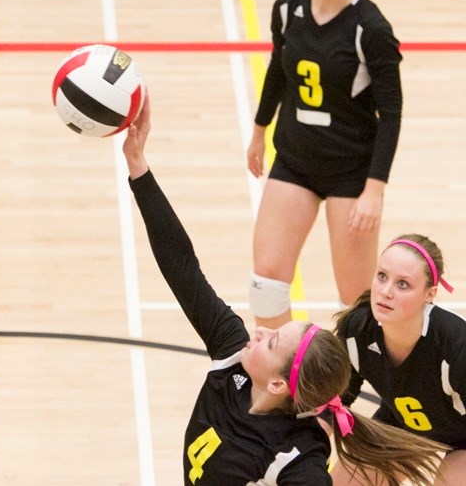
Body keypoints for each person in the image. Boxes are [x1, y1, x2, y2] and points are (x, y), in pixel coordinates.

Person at [123, 97, 445, 485]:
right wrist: (138, 166)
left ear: (277, 384)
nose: (259, 331)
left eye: (271, 341)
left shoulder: (296, 459)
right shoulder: (233, 356)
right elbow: (182, 268)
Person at [246, 0, 403, 328]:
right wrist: (259, 132)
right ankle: (285, 384)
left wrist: (374, 190)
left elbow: (392, 114)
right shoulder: (288, 9)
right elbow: (278, 73)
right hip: (295, 160)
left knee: (357, 305)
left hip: (351, 172)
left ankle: (357, 389)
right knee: (266, 283)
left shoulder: (370, 28)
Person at [332, 235, 466, 484]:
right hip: (403, 427)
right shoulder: (358, 329)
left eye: (402, 284)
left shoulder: (456, 344)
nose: (385, 291)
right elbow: (333, 403)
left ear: (430, 294)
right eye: (382, 276)